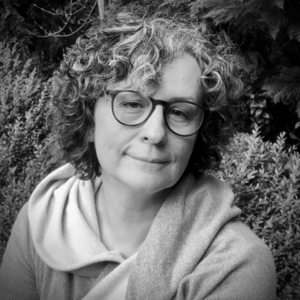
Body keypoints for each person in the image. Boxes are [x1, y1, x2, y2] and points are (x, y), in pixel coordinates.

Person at [0, 13, 276, 300]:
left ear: (200, 133)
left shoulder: (236, 264)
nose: (155, 133)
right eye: (132, 103)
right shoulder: (41, 219)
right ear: (89, 120)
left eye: (180, 112)